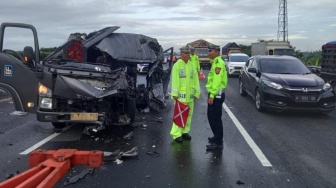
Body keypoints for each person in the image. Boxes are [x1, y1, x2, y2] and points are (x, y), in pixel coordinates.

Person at [170, 45, 201, 143]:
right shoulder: (177, 65)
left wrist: (197, 92)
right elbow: (175, 80)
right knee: (180, 115)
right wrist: (174, 93)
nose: (188, 55)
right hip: (180, 96)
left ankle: (184, 132)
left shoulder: (191, 65)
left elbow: (196, 80)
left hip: (191, 96)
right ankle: (176, 134)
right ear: (181, 53)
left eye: (189, 53)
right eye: (186, 53)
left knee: (189, 115)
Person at [205, 45, 228, 150]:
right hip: (214, 94)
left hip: (216, 95)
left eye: (210, 51)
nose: (208, 53)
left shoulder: (218, 63)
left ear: (217, 52)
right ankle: (216, 137)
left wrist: (212, 95)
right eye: (208, 51)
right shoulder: (215, 62)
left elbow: (216, 81)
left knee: (215, 118)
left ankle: (218, 143)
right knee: (211, 117)